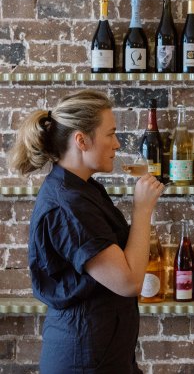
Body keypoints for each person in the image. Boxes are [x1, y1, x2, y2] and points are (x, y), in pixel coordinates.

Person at [9, 90, 165, 373]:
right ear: (81, 140)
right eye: (110, 134)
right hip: (84, 357)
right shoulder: (69, 203)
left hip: (104, 352)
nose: (117, 144)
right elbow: (128, 281)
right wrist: (142, 210)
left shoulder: (84, 189)